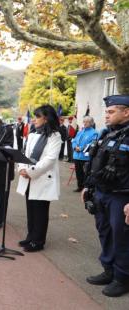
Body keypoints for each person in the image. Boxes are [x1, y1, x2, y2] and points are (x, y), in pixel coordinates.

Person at [82, 95, 129, 297]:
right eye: (106, 111)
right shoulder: (107, 134)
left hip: (121, 196)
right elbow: (96, 163)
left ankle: (123, 277)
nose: (106, 115)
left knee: (122, 238)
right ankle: (109, 269)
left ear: (126, 112)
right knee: (105, 232)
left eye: (111, 112)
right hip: (101, 193)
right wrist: (88, 187)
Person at [17, 105, 61, 252]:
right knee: (31, 209)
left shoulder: (55, 136)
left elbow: (50, 159)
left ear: (46, 118)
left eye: (37, 117)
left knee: (40, 211)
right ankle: (30, 236)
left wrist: (30, 172)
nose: (34, 120)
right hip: (28, 177)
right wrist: (22, 168)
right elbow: (24, 154)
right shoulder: (33, 134)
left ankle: (38, 241)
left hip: (41, 178)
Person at [71, 116, 97, 192]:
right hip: (76, 156)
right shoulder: (80, 132)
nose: (85, 123)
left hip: (85, 157)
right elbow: (74, 141)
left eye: (87, 122)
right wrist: (75, 147)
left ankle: (86, 188)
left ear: (91, 123)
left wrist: (81, 148)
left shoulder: (94, 132)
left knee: (86, 173)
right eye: (84, 121)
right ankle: (80, 186)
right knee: (78, 173)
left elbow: (92, 143)